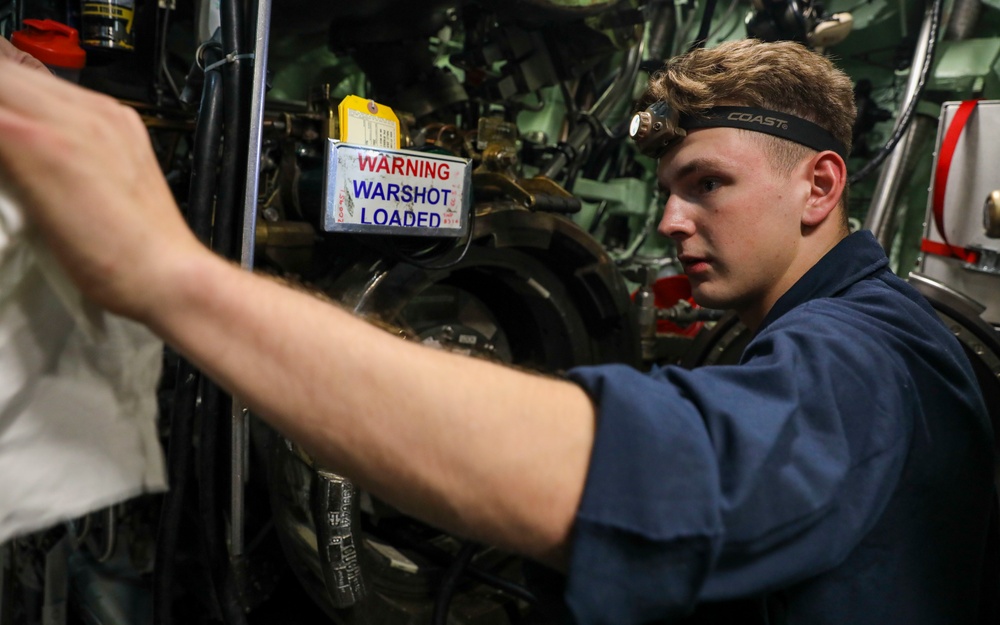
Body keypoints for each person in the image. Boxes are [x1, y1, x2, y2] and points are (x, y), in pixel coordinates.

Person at [0, 34, 995, 623]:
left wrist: (170, 276)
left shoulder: (868, 360)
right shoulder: (813, 331)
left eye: (709, 186)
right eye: (667, 191)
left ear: (820, 186)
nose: (670, 223)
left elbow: (617, 472)